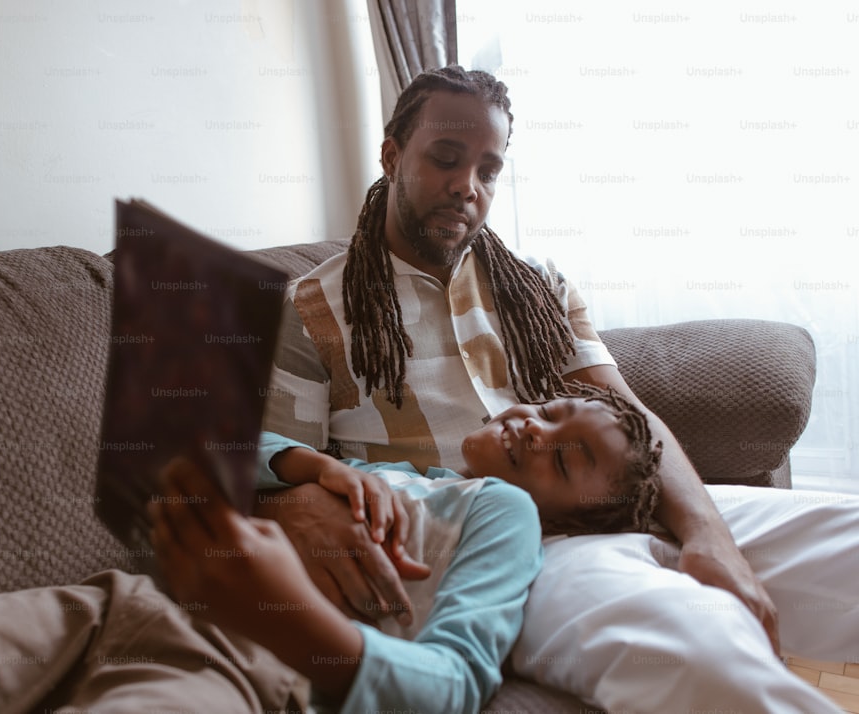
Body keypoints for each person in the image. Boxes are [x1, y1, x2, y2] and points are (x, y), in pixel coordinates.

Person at [255, 64, 859, 712]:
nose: (467, 187)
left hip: (616, 499)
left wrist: (709, 536)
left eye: (488, 169)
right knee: (705, 660)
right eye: (446, 158)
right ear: (391, 154)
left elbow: (628, 417)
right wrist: (292, 510)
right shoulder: (309, 309)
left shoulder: (538, 284)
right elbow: (274, 472)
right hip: (511, 554)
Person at [150, 386, 663, 713]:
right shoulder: (408, 480)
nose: (535, 428)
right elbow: (217, 448)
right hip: (140, 604)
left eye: (566, 461)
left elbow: (457, 681)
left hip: (243, 669)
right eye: (550, 411)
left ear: (561, 523)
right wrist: (313, 466)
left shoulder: (507, 511)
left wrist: (292, 617)